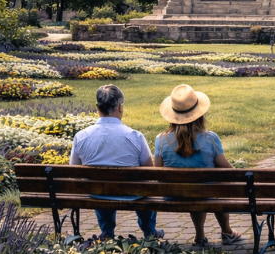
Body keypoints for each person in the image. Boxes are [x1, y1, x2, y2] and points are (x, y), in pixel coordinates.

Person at [155, 85, 243, 248]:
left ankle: (200, 236)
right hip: (205, 194)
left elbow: (158, 173)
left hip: (173, 195)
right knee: (218, 183)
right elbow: (228, 170)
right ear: (199, 114)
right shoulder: (210, 138)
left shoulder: (160, 139)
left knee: (197, 187)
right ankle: (227, 232)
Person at [70, 85, 162, 240]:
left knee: (100, 187)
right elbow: (148, 171)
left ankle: (107, 232)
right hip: (133, 193)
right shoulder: (135, 136)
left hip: (97, 193)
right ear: (120, 107)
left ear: (97, 107)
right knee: (144, 187)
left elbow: (74, 172)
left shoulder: (81, 136)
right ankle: (149, 231)